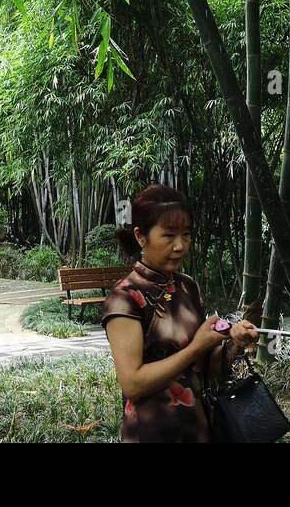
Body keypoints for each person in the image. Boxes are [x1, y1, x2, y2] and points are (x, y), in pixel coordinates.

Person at [102, 184, 258, 443]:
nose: (180, 245)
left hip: (197, 429)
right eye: (169, 235)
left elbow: (206, 370)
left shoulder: (187, 287)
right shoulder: (125, 298)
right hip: (151, 433)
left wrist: (234, 344)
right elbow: (133, 384)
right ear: (141, 236)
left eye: (186, 234)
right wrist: (195, 349)